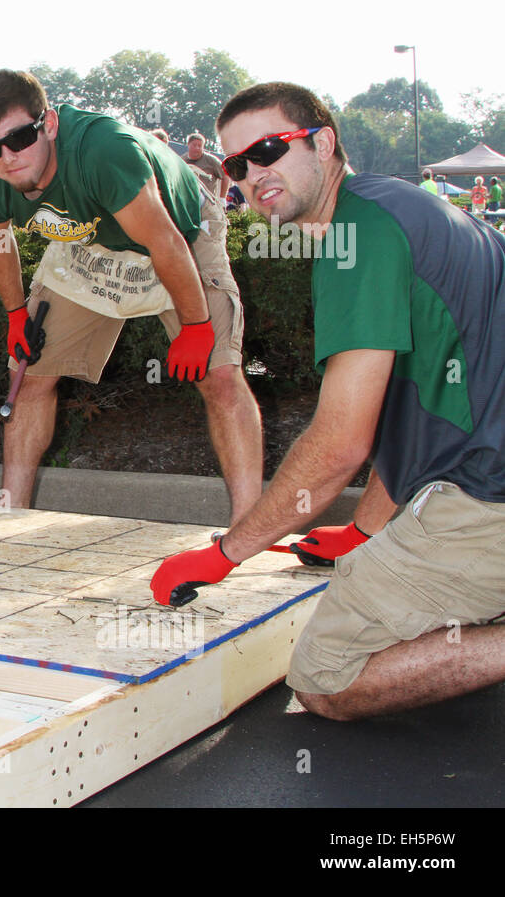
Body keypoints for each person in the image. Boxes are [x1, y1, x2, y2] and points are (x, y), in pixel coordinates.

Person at [150, 80, 505, 722]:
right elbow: (417, 412)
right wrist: (363, 530)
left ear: (323, 142)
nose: (253, 175)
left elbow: (342, 443)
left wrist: (227, 551)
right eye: (236, 165)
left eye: (268, 150)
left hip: (489, 498)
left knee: (326, 681)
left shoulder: (359, 236)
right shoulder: (400, 207)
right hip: (483, 475)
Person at [0, 69, 263, 517]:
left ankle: (249, 524)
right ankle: (10, 510)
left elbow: (164, 242)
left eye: (19, 139)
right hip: (89, 242)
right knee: (30, 374)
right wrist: (14, 314)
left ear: (48, 124)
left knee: (219, 375)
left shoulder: (105, 151)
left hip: (176, 230)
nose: (6, 158)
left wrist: (197, 327)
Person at [183, 132, 230, 204]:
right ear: (188, 145)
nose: (197, 148)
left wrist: (222, 198)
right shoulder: (181, 161)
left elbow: (226, 176)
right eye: (194, 145)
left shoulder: (211, 161)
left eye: (199, 146)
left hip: (207, 202)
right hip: (186, 200)